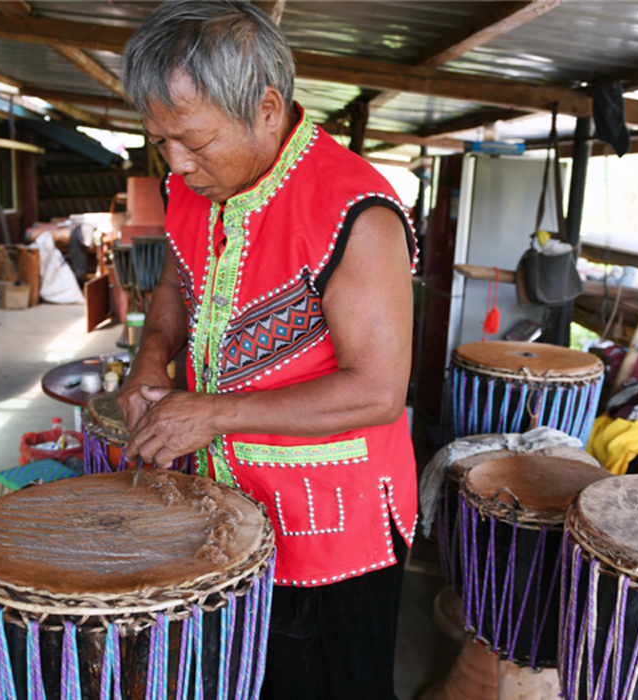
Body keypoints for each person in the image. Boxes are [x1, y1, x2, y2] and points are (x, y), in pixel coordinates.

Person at [118, 2, 418, 698]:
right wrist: (149, 361)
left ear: (267, 108)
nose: (177, 163)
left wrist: (213, 414)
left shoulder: (358, 210)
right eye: (160, 141)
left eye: (192, 139)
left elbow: (377, 391)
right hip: (225, 510)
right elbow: (175, 279)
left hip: (330, 533)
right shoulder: (190, 188)